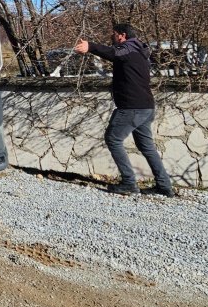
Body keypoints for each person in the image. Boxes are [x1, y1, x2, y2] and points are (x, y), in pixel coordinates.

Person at [74, 24, 175, 197]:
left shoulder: (127, 48)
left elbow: (113, 53)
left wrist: (91, 46)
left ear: (122, 35)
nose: (112, 37)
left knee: (113, 139)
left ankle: (129, 182)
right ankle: (164, 185)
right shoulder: (139, 51)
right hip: (146, 107)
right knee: (147, 146)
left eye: (114, 34)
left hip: (132, 107)